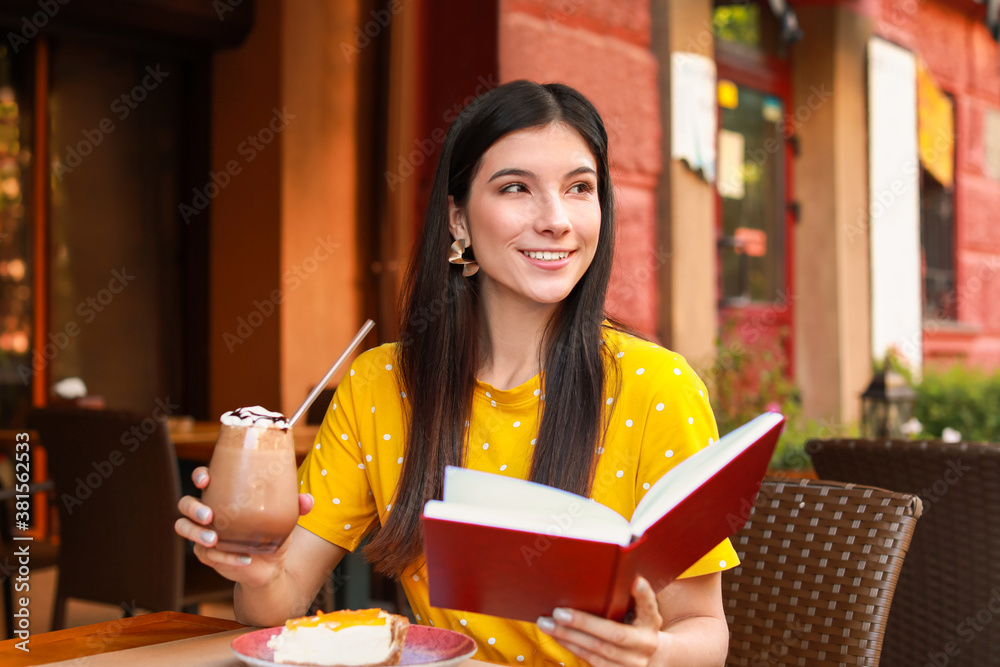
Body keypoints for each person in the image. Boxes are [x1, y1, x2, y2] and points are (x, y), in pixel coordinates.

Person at [176, 79, 737, 666]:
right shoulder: (379, 386)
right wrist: (258, 572)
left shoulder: (656, 388)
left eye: (580, 188)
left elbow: (704, 631)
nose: (556, 220)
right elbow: (274, 603)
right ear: (458, 219)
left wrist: (652, 654)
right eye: (516, 187)